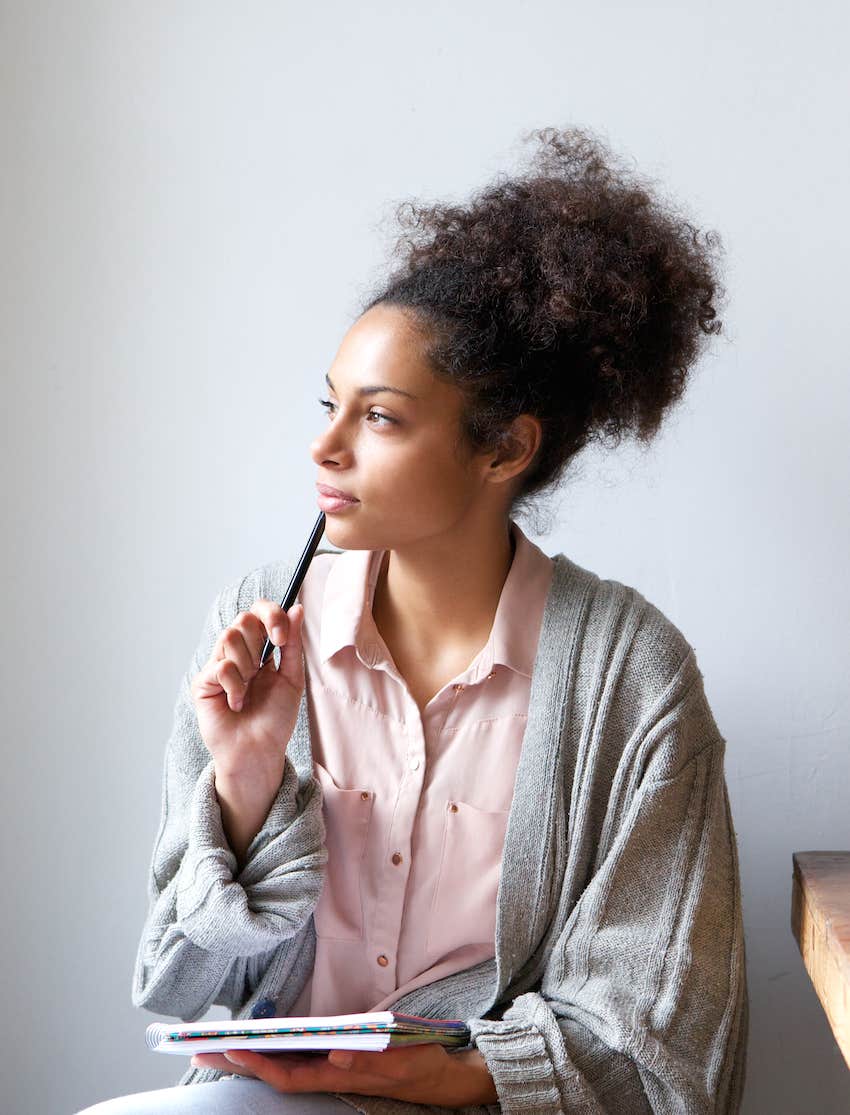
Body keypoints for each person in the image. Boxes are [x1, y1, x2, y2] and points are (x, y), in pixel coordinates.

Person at [77, 126, 747, 1114]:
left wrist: (460, 1072)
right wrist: (247, 779)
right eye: (330, 404)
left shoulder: (630, 674)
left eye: (380, 417)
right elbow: (180, 980)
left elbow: (662, 1031)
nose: (326, 446)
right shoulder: (261, 627)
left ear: (503, 448)